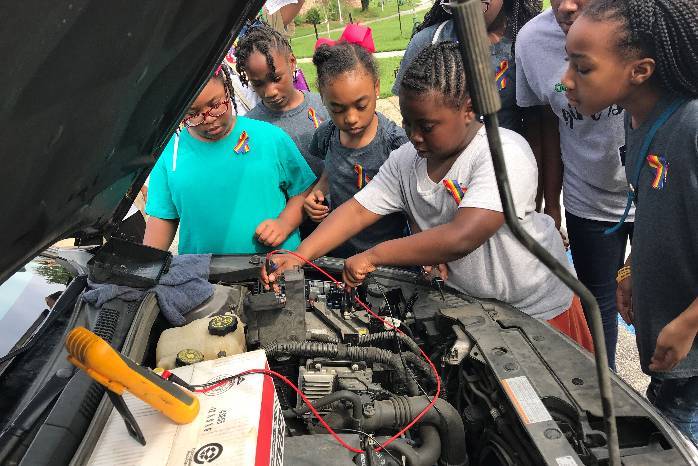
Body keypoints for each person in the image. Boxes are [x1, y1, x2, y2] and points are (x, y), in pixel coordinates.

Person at [265, 43, 593, 352]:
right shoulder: (406, 161)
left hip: (539, 312)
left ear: (469, 109)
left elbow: (462, 236)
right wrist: (301, 255)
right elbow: (356, 212)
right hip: (475, 311)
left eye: (427, 125)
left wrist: (374, 255)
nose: (414, 136)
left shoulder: (502, 152)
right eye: (408, 123)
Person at [563, 0, 698, 443]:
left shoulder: (692, 126)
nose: (565, 80)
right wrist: (630, 270)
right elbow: (662, 217)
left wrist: (688, 324)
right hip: (669, 348)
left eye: (581, 68)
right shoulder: (636, 120)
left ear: (639, 70)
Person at [515, 0, 630, 370]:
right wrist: (549, 207)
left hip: (653, 193)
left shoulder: (640, 23)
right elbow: (544, 127)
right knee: (599, 305)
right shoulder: (532, 41)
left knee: (659, 303)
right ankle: (608, 391)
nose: (567, 5)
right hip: (587, 199)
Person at [144, 64, 316, 255]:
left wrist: (285, 223)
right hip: (202, 274)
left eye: (215, 105)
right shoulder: (171, 152)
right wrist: (146, 265)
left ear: (228, 89)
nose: (208, 119)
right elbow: (163, 216)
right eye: (193, 114)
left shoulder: (269, 137)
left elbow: (304, 189)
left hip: (274, 267)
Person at [303, 42, 410, 258]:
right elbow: (329, 169)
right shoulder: (327, 135)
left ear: (377, 87)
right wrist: (319, 191)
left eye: (361, 106)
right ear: (323, 98)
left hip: (386, 260)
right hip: (338, 255)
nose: (351, 118)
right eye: (337, 109)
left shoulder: (397, 144)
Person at [392, 0, 541, 134]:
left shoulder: (522, 43)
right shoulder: (428, 41)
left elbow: (537, 124)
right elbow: (411, 118)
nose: (469, 10)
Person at [235, 23, 330, 177]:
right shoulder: (251, 127)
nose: (270, 92)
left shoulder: (324, 105)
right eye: (258, 84)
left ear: (292, 62)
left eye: (276, 78)